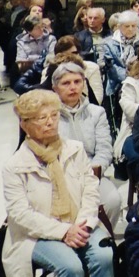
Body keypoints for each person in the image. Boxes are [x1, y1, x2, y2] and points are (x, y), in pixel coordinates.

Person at [2, 90, 112, 277]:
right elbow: (20, 214)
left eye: (54, 115)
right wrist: (63, 232)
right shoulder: (14, 166)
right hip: (37, 234)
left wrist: (82, 224)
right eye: (41, 118)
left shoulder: (75, 149)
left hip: (80, 223)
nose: (50, 122)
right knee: (70, 266)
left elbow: (91, 190)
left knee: (104, 256)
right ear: (24, 124)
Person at [52, 62, 121, 224]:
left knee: (113, 200)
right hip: (60, 175)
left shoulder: (97, 113)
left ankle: (101, 234)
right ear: (55, 88)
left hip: (92, 172)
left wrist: (91, 173)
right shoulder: (50, 115)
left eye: (77, 82)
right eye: (66, 83)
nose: (73, 87)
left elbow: (104, 149)